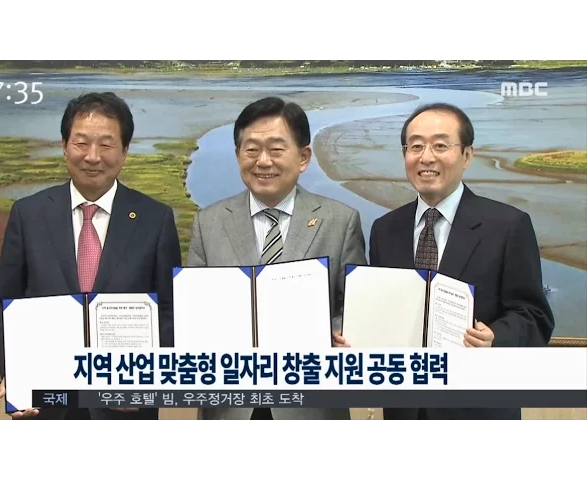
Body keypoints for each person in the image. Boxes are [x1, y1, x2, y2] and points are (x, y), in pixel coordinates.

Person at [335, 102, 555, 420]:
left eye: (440, 145)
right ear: (405, 154)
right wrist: (355, 339)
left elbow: (535, 316)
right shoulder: (385, 229)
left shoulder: (508, 225)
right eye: (416, 147)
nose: (426, 157)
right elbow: (381, 310)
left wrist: (495, 339)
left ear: (467, 155)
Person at [0, 92, 182, 420]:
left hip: (123, 407)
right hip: (45, 404)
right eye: (81, 143)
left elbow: (170, 310)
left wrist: (147, 381)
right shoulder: (28, 214)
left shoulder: (155, 218)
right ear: (65, 146)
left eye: (106, 145)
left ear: (125, 151)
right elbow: (4, 304)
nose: (93, 157)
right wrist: (17, 372)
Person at [186, 96, 367, 420]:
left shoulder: (340, 221)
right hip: (230, 402)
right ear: (238, 155)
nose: (263, 161)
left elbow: (354, 309)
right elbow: (194, 311)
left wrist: (337, 338)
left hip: (311, 402)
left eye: (276, 149)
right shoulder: (208, 222)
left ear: (303, 157)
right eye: (251, 149)